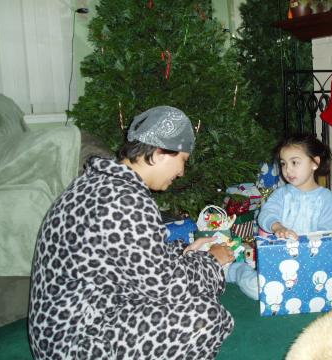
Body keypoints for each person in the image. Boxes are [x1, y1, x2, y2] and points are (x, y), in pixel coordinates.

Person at [28, 106, 235, 360]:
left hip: (70, 325)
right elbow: (169, 287)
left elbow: (131, 257)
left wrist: (183, 252)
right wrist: (212, 260)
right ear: (160, 153)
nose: (182, 172)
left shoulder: (99, 182)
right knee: (205, 318)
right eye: (183, 160)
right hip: (76, 344)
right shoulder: (124, 200)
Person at [227, 133, 332, 300]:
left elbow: (328, 233)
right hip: (280, 261)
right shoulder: (281, 194)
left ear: (315, 163)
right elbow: (266, 214)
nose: (288, 170)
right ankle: (238, 270)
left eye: (295, 162)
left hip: (312, 263)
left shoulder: (327, 198)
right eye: (283, 164)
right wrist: (277, 226)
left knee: (330, 287)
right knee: (258, 290)